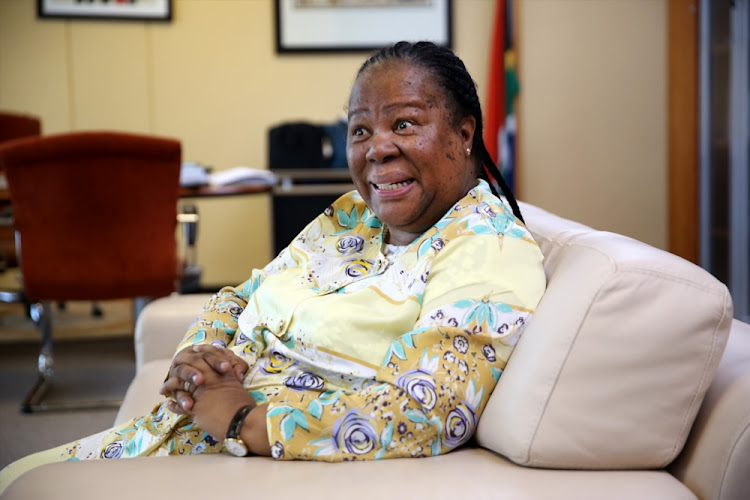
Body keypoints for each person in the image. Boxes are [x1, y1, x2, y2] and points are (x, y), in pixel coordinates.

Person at [0, 40, 545, 490]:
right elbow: (245, 293)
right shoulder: (356, 217)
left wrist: (244, 421)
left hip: (253, 464)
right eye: (359, 130)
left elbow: (430, 411)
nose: (376, 148)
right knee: (19, 475)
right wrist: (202, 352)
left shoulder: (487, 248)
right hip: (181, 434)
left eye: (404, 124)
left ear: (465, 133)